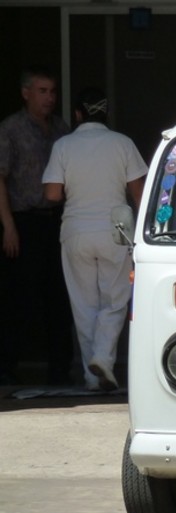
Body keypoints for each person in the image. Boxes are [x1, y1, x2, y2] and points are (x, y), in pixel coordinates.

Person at [42, 87, 147, 391]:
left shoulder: (63, 145)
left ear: (77, 114)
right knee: (115, 300)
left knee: (84, 305)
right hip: (116, 229)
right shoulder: (122, 143)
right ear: (106, 113)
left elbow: (52, 193)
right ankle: (103, 358)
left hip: (75, 231)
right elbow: (139, 194)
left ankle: (93, 376)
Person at [0, 67, 74, 386]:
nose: (49, 98)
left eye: (52, 91)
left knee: (59, 295)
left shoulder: (61, 129)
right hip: (23, 221)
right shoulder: (11, 129)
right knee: (19, 297)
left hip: (57, 221)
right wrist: (8, 226)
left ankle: (60, 369)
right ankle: (7, 368)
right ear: (26, 93)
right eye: (42, 91)